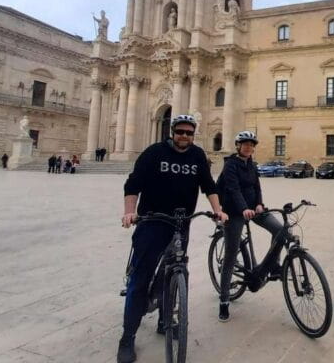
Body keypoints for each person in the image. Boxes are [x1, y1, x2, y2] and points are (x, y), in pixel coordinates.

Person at [117, 114, 228, 363]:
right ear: (172, 131)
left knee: (175, 272)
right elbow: (132, 184)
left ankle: (165, 320)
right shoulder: (154, 153)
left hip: (181, 224)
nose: (184, 136)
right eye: (180, 132)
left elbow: (209, 185)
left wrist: (218, 210)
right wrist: (128, 212)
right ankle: (128, 337)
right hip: (152, 222)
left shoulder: (198, 156)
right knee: (140, 278)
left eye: (189, 133)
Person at [216, 130, 286, 322]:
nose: (249, 147)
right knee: (230, 256)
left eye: (251, 145)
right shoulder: (230, 165)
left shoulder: (252, 165)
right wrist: (243, 208)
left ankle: (274, 266)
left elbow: (256, 187)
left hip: (253, 209)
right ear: (238, 146)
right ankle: (223, 301)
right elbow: (233, 189)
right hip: (234, 211)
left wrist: (259, 204)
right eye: (245, 144)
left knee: (280, 231)